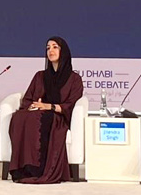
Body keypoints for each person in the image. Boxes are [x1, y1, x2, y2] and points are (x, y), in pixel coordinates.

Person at [8, 36, 84, 183]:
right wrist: (32, 106)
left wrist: (50, 106)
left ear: (64, 51)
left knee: (41, 118)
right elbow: (28, 98)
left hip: (57, 117)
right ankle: (22, 168)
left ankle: (38, 169)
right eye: (48, 48)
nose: (50, 51)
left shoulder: (74, 79)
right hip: (37, 112)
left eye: (55, 47)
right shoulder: (40, 76)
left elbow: (71, 104)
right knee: (19, 117)